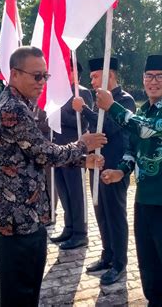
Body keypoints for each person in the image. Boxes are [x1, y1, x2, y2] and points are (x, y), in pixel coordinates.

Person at [0, 46, 107, 307]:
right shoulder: (13, 109)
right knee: (21, 291)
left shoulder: (18, 104)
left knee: (21, 289)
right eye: (36, 76)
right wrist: (82, 145)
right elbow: (44, 153)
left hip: (22, 214)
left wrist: (82, 160)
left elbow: (31, 154)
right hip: (17, 218)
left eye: (45, 76)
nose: (42, 83)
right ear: (15, 74)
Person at [96, 54, 162, 306]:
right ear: (143, 79)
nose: (154, 81)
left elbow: (146, 128)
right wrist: (120, 171)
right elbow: (133, 147)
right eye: (149, 76)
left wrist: (112, 106)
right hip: (145, 198)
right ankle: (153, 300)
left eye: (161, 77)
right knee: (147, 258)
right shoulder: (143, 110)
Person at [72, 56, 136, 285]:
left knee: (116, 215)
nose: (91, 81)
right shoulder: (101, 100)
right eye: (90, 77)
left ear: (110, 74)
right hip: (96, 164)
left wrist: (86, 110)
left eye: (95, 75)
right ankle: (107, 256)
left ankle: (119, 263)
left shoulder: (124, 101)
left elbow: (108, 130)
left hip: (116, 166)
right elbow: (94, 133)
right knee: (101, 213)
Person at [50, 62, 93, 250]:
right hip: (57, 149)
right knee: (63, 190)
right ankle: (69, 228)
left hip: (75, 149)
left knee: (76, 192)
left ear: (76, 72)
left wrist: (57, 117)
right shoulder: (57, 91)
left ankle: (80, 233)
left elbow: (84, 123)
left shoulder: (82, 93)